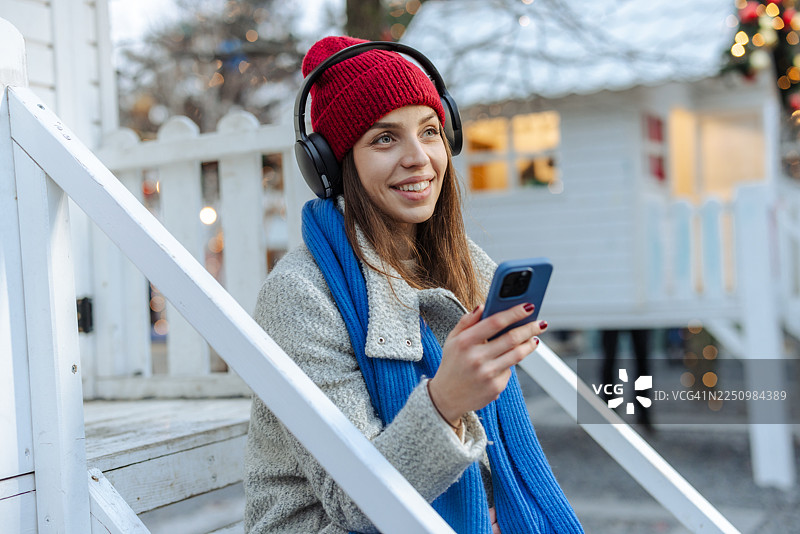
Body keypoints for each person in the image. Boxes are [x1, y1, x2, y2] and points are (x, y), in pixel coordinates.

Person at [244, 35, 584, 534]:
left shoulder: (466, 264)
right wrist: (446, 400)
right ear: (334, 165)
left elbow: (485, 455)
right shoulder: (301, 294)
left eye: (429, 131)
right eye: (384, 139)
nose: (419, 158)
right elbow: (354, 504)